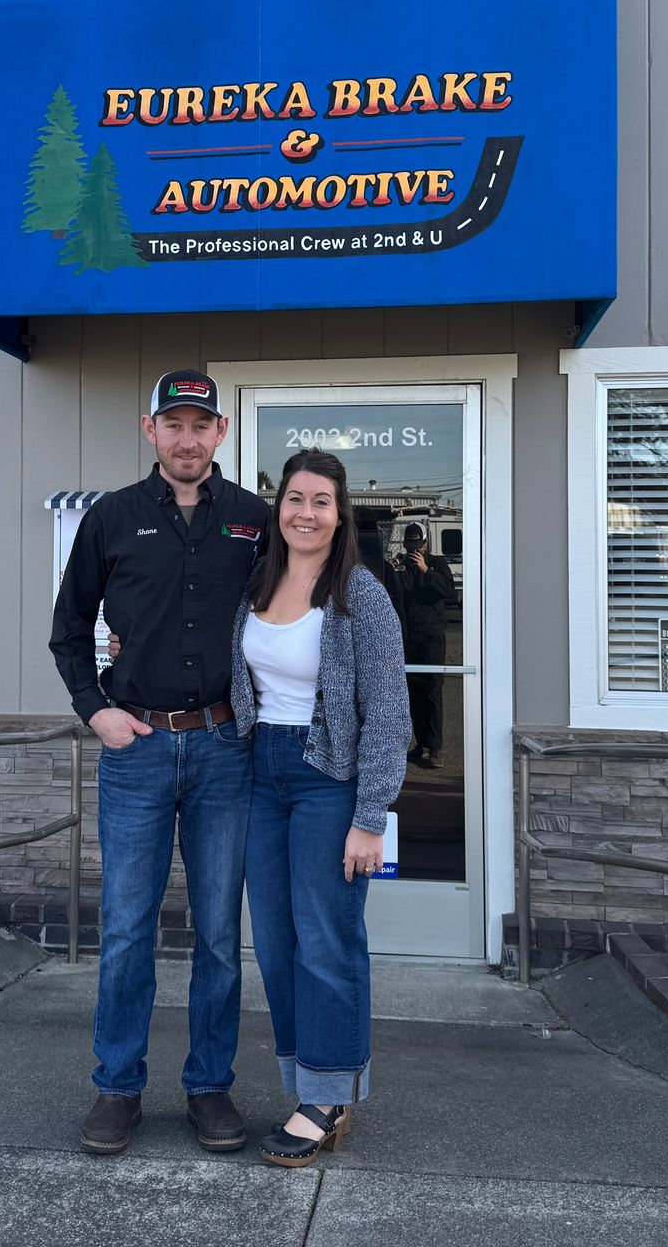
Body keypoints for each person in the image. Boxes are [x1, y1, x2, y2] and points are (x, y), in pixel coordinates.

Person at [49, 368, 271, 1157]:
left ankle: (210, 1086)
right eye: (172, 424)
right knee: (127, 929)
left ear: (220, 434)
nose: (187, 438)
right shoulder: (111, 519)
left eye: (200, 425)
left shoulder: (254, 520)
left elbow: (292, 618)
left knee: (217, 933)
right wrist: (95, 709)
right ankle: (118, 1087)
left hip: (223, 749)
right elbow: (69, 629)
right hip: (136, 748)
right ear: (151, 432)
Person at [229, 448, 411, 1167]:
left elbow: (389, 711)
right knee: (274, 942)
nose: (306, 513)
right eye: (295, 498)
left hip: (325, 777)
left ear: (341, 516)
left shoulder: (360, 595)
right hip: (258, 772)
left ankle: (330, 1098)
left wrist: (371, 816)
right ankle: (305, 1084)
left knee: (327, 936)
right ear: (279, 508)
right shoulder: (256, 580)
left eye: (321, 502)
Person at [392, 522, 455, 766]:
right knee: (413, 693)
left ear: (426, 543)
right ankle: (420, 743)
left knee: (432, 690)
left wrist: (426, 570)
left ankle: (435, 748)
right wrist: (394, 569)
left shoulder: (437, 564)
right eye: (410, 546)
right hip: (409, 636)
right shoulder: (402, 566)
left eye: (417, 546)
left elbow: (447, 591)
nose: (413, 551)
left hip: (431, 636)